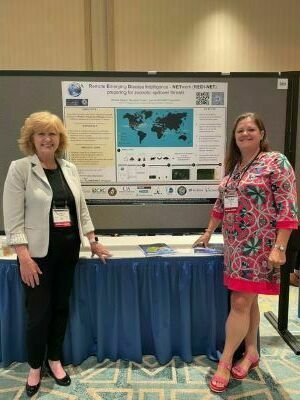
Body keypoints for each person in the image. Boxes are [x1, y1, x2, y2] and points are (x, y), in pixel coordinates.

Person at [3, 111, 112, 397]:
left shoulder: (69, 168)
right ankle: (35, 367)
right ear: (31, 139)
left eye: (52, 134)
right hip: (36, 258)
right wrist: (23, 256)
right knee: (38, 314)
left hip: (67, 252)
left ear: (59, 139)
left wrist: (93, 240)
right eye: (41, 134)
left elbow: (81, 209)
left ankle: (55, 359)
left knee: (61, 308)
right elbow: (12, 218)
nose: (47, 139)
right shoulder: (20, 169)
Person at [193, 112, 298, 393]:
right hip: (235, 248)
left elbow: (288, 206)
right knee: (248, 302)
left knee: (239, 303)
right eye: (240, 130)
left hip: (261, 247)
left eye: (251, 129)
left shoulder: (276, 162)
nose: (245, 134)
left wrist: (280, 246)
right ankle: (251, 351)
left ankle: (225, 362)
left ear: (262, 134)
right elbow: (220, 205)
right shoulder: (236, 168)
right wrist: (207, 232)